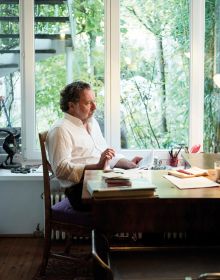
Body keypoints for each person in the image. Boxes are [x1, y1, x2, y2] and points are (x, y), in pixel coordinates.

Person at [46, 81, 142, 211]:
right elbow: (61, 169)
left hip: (101, 180)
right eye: (88, 103)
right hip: (79, 190)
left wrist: (128, 163)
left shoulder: (92, 123)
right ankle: (106, 231)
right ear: (71, 106)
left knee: (147, 198)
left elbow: (103, 154)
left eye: (94, 101)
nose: (94, 107)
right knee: (141, 204)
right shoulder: (60, 130)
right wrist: (96, 167)